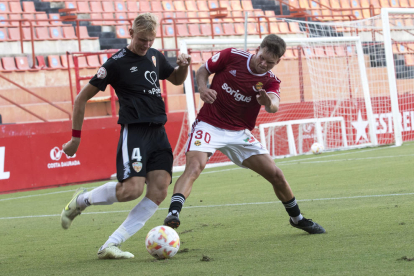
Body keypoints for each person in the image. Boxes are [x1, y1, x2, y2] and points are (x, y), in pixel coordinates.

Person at [164, 34, 325, 235]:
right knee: (195, 167)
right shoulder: (231, 55)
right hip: (209, 124)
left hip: (239, 133)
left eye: (270, 63)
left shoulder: (270, 81)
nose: (263, 64)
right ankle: (173, 214)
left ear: (278, 61)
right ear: (258, 49)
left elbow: (274, 105)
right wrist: (203, 89)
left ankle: (297, 219)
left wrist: (267, 101)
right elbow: (204, 70)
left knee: (276, 175)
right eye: (262, 58)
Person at [60, 13, 191, 259]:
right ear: (130, 33)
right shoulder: (115, 64)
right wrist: (75, 138)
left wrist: (183, 66)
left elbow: (176, 79)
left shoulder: (154, 55)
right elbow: (81, 99)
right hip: (136, 132)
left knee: (160, 190)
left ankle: (111, 244)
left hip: (158, 132)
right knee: (131, 190)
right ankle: (81, 200)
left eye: (151, 40)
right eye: (142, 39)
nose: (146, 45)